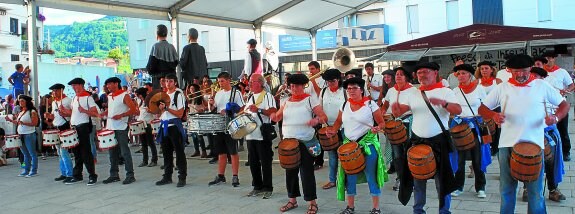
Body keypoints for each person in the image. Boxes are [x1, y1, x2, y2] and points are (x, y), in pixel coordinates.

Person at [478, 54, 569, 213]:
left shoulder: (541, 85)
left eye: (524, 71)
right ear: (509, 71)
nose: (520, 75)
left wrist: (556, 117)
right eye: (515, 71)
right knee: (507, 190)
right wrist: (493, 115)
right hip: (507, 145)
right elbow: (482, 108)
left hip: (535, 144)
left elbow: (564, 105)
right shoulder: (502, 87)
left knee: (535, 192)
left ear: (530, 69)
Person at [392, 62, 461, 214]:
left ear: (435, 73)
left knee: (442, 181)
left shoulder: (445, 92)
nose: (422, 75)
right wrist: (395, 108)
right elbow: (399, 112)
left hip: (439, 142)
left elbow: (458, 109)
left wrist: (444, 103)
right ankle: (418, 210)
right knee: (418, 180)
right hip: (417, 142)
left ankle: (444, 211)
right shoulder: (414, 93)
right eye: (419, 73)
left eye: (425, 72)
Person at [326, 77, 387, 214]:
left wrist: (378, 128)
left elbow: (381, 123)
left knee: (371, 176)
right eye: (348, 88)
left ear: (361, 89)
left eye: (354, 88)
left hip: (368, 144)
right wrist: (333, 130)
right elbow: (338, 121)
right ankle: (350, 207)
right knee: (350, 177)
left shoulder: (371, 104)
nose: (351, 91)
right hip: (349, 146)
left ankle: (376, 208)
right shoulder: (344, 105)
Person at [271, 73, 328, 214]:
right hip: (288, 142)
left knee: (306, 172)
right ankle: (292, 200)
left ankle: (312, 202)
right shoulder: (286, 101)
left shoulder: (310, 100)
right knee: (290, 173)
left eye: (296, 86)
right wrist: (273, 116)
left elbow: (323, 116)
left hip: (305, 141)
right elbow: (277, 116)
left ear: (303, 86)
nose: (294, 88)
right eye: (291, 86)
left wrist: (316, 120)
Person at [518, 67, 566, 202]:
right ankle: (527, 189)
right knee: (527, 160)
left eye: (537, 76)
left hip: (548, 131)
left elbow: (563, 107)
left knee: (551, 161)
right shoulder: (521, 93)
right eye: (531, 76)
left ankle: (553, 189)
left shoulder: (551, 92)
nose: (534, 79)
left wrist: (555, 117)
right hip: (529, 132)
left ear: (543, 79)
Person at [449, 64, 490, 199]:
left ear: (470, 75)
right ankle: (458, 186)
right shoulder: (455, 91)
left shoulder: (479, 89)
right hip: (459, 127)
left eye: (463, 73)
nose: (461, 76)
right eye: (458, 74)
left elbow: (485, 107)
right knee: (459, 159)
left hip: (475, 127)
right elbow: (452, 109)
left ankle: (481, 187)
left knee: (477, 159)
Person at [382, 67, 418, 191]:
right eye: (397, 74)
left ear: (406, 77)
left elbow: (415, 107)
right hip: (394, 125)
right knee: (397, 155)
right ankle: (400, 178)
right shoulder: (391, 90)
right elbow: (385, 105)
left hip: (408, 123)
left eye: (401, 75)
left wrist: (401, 109)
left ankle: (411, 179)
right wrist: (381, 116)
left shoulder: (413, 90)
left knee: (408, 153)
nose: (398, 76)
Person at [207, 72, 244, 187]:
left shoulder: (236, 92)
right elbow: (214, 109)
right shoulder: (218, 93)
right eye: (219, 81)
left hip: (231, 124)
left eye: (222, 81)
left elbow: (242, 109)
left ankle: (235, 176)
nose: (220, 83)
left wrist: (230, 111)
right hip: (219, 124)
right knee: (221, 152)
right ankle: (221, 176)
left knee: (233, 151)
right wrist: (211, 104)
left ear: (229, 80)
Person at [60, 78, 99, 185]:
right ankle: (77, 175)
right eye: (72, 86)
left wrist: (85, 111)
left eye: (75, 85)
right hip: (75, 126)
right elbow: (73, 113)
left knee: (86, 152)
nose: (73, 87)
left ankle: (92, 175)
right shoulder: (74, 98)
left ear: (81, 85)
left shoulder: (88, 98)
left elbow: (95, 113)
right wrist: (64, 112)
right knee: (76, 152)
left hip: (83, 126)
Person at [244, 73, 277, 199]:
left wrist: (259, 109)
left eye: (252, 81)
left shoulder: (267, 96)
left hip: (262, 135)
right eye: (250, 81)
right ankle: (256, 186)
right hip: (250, 134)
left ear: (261, 83)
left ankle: (268, 187)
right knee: (253, 163)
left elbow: (273, 112)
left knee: (265, 162)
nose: (250, 83)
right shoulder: (250, 97)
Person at [101, 77, 138, 185]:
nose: (107, 86)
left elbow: (133, 110)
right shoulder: (109, 96)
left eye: (109, 84)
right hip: (111, 127)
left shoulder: (124, 95)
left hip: (121, 127)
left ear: (116, 84)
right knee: (112, 152)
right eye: (107, 84)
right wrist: (104, 113)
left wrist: (121, 115)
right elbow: (111, 108)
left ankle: (130, 175)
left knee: (124, 151)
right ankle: (114, 174)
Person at [155, 74, 188, 187]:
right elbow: (161, 113)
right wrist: (159, 111)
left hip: (174, 126)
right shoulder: (163, 95)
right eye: (166, 81)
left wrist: (166, 108)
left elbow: (180, 113)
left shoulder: (178, 94)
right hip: (164, 126)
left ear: (175, 82)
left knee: (179, 152)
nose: (167, 83)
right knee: (166, 153)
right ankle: (167, 176)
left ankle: (182, 177)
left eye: (170, 81)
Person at [542, 51, 574, 162]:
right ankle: (549, 152)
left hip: (559, 106)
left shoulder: (562, 72)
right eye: (546, 58)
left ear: (554, 59)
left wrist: (567, 90)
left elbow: (571, 85)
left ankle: (566, 152)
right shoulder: (540, 73)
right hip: (545, 108)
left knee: (562, 130)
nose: (548, 60)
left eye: (550, 58)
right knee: (547, 131)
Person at [318, 69, 346, 190]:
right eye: (328, 81)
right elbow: (319, 108)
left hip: (344, 127)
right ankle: (332, 180)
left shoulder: (345, 92)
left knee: (345, 155)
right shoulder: (323, 92)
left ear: (338, 79)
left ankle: (345, 181)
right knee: (332, 156)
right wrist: (321, 119)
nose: (330, 84)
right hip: (328, 127)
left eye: (332, 81)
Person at [45, 84, 74, 184]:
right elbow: (54, 115)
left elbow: (73, 113)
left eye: (56, 91)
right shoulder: (54, 102)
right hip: (56, 127)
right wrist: (49, 116)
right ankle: (64, 172)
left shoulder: (68, 100)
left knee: (64, 152)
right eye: (53, 91)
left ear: (61, 91)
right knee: (59, 152)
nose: (54, 93)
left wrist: (65, 113)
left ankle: (70, 174)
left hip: (64, 127)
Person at [6, 95, 39, 177]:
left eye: (22, 101)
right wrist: (10, 120)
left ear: (27, 102)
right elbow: (18, 123)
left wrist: (24, 123)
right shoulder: (21, 112)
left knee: (32, 153)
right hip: (22, 134)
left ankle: (33, 170)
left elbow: (35, 124)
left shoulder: (32, 111)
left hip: (29, 134)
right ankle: (26, 170)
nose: (20, 102)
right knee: (25, 153)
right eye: (19, 101)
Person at [475, 61, 503, 155]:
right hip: (482, 109)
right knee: (484, 129)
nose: (484, 70)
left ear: (492, 70)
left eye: (486, 68)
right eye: (482, 69)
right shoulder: (476, 82)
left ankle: (496, 149)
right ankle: (486, 149)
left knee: (497, 131)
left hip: (496, 108)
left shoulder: (498, 81)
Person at [146, 24, 179, 89]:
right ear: (166, 34)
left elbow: (150, 67)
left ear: (157, 34)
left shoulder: (155, 46)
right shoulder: (172, 47)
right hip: (172, 80)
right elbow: (176, 62)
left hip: (159, 81)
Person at [135, 87, 158, 167]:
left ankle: (154, 160)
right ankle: (145, 160)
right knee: (143, 143)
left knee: (150, 142)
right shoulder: (140, 102)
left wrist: (150, 111)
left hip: (148, 123)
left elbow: (156, 112)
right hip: (141, 123)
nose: (139, 97)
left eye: (139, 95)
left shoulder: (150, 101)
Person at [187, 84, 208, 158]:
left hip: (198, 117)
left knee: (199, 136)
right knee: (193, 136)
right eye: (190, 88)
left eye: (192, 88)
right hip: (192, 117)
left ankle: (203, 151)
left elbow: (203, 108)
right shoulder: (191, 98)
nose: (191, 90)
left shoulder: (200, 98)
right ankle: (197, 150)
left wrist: (192, 106)